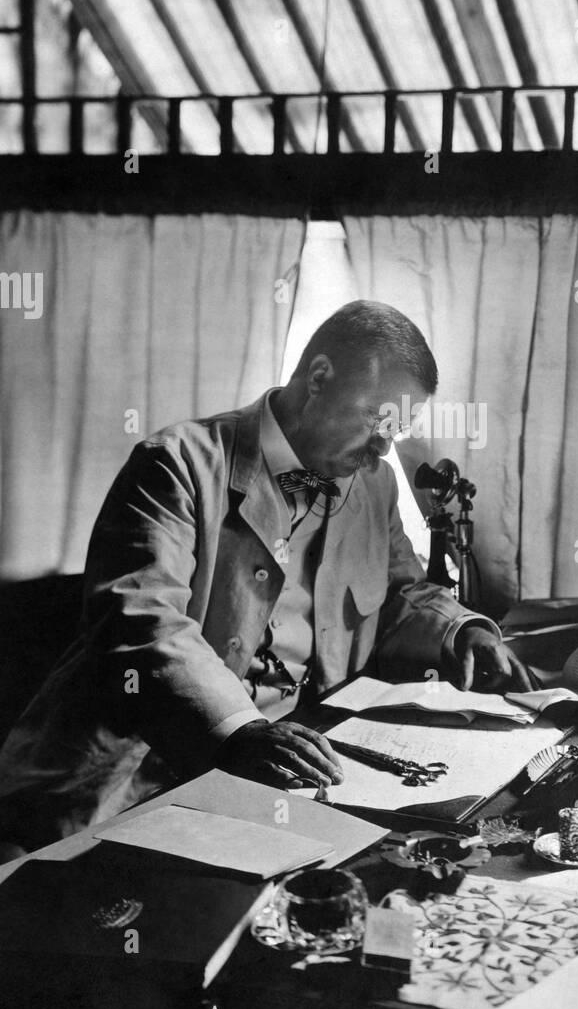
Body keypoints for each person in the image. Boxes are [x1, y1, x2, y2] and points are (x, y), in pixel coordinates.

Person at [0, 301, 530, 851]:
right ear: (319, 377)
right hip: (140, 771)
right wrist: (239, 730)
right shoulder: (175, 464)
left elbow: (400, 593)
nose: (384, 447)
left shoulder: (373, 485)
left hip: (299, 771)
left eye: (400, 429)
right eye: (379, 420)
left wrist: (460, 629)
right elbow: (140, 622)